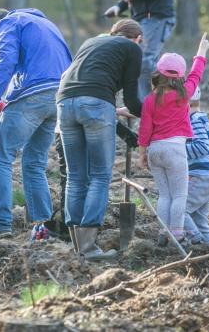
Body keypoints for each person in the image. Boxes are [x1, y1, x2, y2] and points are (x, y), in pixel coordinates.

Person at [0, 8, 72, 238]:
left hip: (34, 95)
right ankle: (43, 226)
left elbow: (5, 60)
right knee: (33, 162)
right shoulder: (46, 24)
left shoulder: (7, 23)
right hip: (60, 96)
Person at [56, 18, 144, 260]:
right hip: (96, 105)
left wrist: (113, 111)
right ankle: (89, 248)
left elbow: (85, 82)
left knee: (75, 177)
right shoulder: (132, 49)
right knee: (99, 176)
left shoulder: (90, 42)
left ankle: (78, 247)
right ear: (137, 38)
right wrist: (155, 114)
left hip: (64, 103)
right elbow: (133, 99)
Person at [137, 33, 209, 246]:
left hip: (155, 151)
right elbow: (196, 74)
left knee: (164, 196)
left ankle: (163, 231)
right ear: (180, 76)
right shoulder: (184, 94)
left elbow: (144, 128)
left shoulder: (150, 99)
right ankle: (177, 234)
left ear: (158, 73)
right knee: (180, 196)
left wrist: (143, 153)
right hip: (175, 150)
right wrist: (202, 51)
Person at [183, 86, 209, 246]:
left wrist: (177, 151)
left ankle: (196, 242)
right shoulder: (202, 118)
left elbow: (201, 146)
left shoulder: (195, 120)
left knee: (179, 210)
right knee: (199, 219)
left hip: (201, 177)